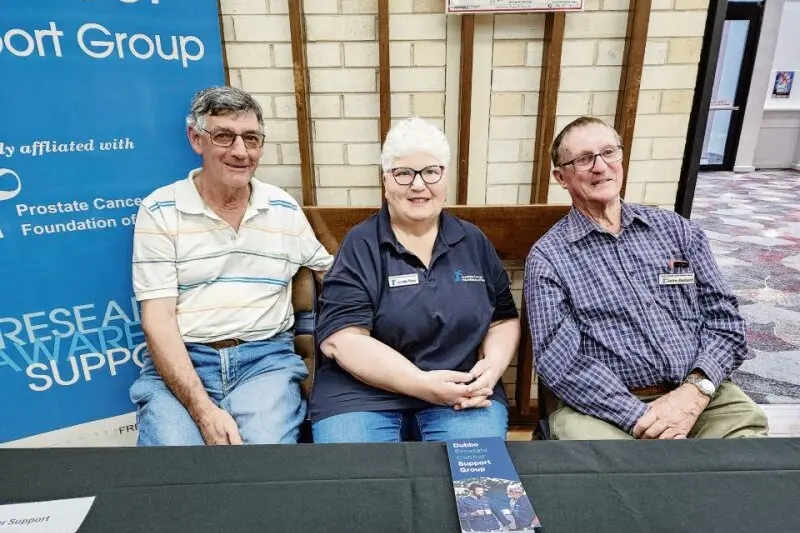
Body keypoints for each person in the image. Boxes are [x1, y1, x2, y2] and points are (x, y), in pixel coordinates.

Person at [524, 116, 769, 440]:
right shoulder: (548, 258)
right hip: (605, 411)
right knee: (592, 452)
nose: (600, 166)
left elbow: (726, 321)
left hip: (700, 392)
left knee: (747, 442)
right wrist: (645, 418)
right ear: (561, 177)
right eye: (584, 159)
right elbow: (560, 361)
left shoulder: (678, 231)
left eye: (609, 152)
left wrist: (695, 391)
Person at [129, 86, 333, 446]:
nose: (241, 152)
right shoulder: (160, 210)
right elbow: (157, 320)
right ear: (196, 139)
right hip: (184, 360)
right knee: (173, 465)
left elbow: (330, 274)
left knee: (262, 463)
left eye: (251, 138)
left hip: (265, 361)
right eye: (224, 136)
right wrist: (203, 411)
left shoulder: (282, 208)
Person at [310, 117, 521, 443]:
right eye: (404, 173)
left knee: (480, 490)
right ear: (385, 182)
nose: (418, 185)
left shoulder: (473, 241)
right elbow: (342, 339)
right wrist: (422, 384)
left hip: (459, 390)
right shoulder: (361, 244)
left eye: (431, 172)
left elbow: (502, 319)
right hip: (361, 395)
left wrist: (491, 367)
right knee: (357, 489)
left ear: (446, 177)